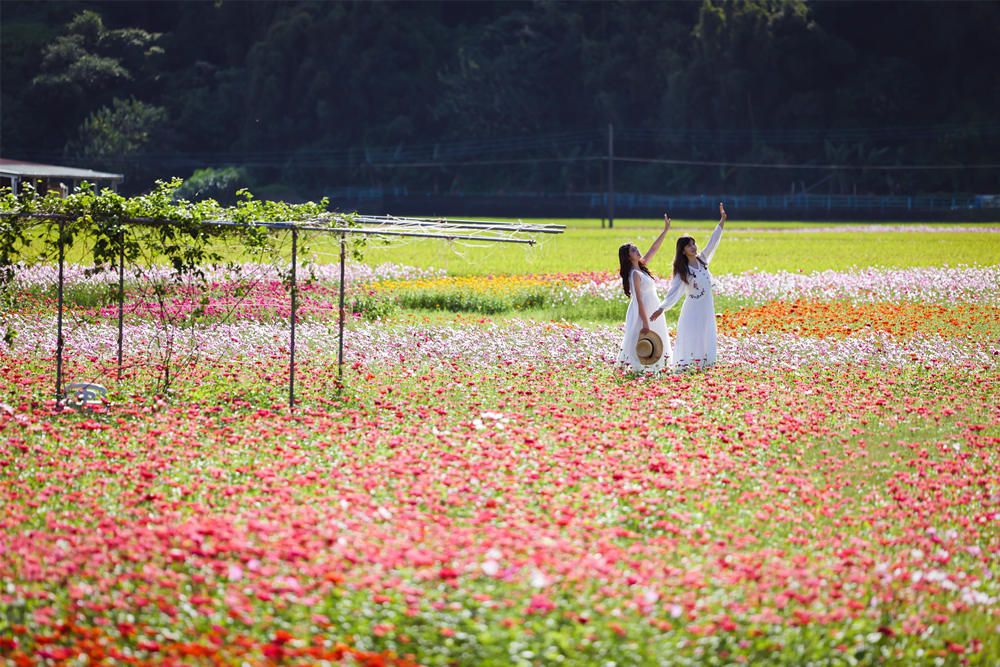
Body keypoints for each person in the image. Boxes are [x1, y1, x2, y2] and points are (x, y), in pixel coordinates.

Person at [651, 202, 727, 369]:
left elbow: (713, 242)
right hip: (692, 308)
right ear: (683, 250)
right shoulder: (682, 270)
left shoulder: (702, 259)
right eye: (689, 245)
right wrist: (662, 308)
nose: (693, 247)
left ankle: (706, 364)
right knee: (692, 334)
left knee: (706, 332)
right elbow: (674, 292)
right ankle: (688, 364)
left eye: (693, 244)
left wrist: (721, 221)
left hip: (707, 306)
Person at [616, 214, 672, 373]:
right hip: (643, 311)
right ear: (628, 256)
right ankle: (637, 367)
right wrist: (646, 323)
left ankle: (658, 365)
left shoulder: (641, 267)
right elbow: (639, 300)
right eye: (633, 250)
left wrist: (665, 230)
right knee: (641, 339)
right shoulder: (634, 274)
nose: (637, 250)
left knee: (657, 337)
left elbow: (653, 248)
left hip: (653, 306)